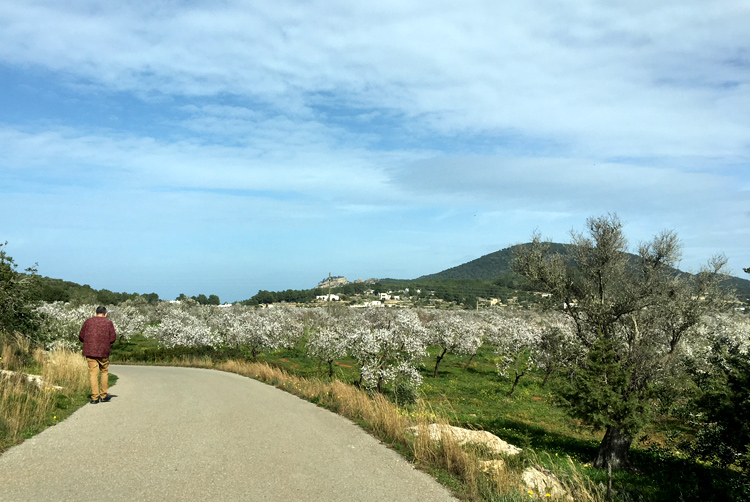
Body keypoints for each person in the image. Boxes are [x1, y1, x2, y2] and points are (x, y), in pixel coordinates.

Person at [79, 306, 117, 404]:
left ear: (95, 313)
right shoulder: (109, 323)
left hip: (90, 351)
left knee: (93, 374)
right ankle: (104, 396)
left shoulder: (88, 322)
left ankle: (94, 398)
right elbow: (113, 338)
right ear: (106, 314)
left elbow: (81, 336)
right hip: (103, 352)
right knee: (104, 372)